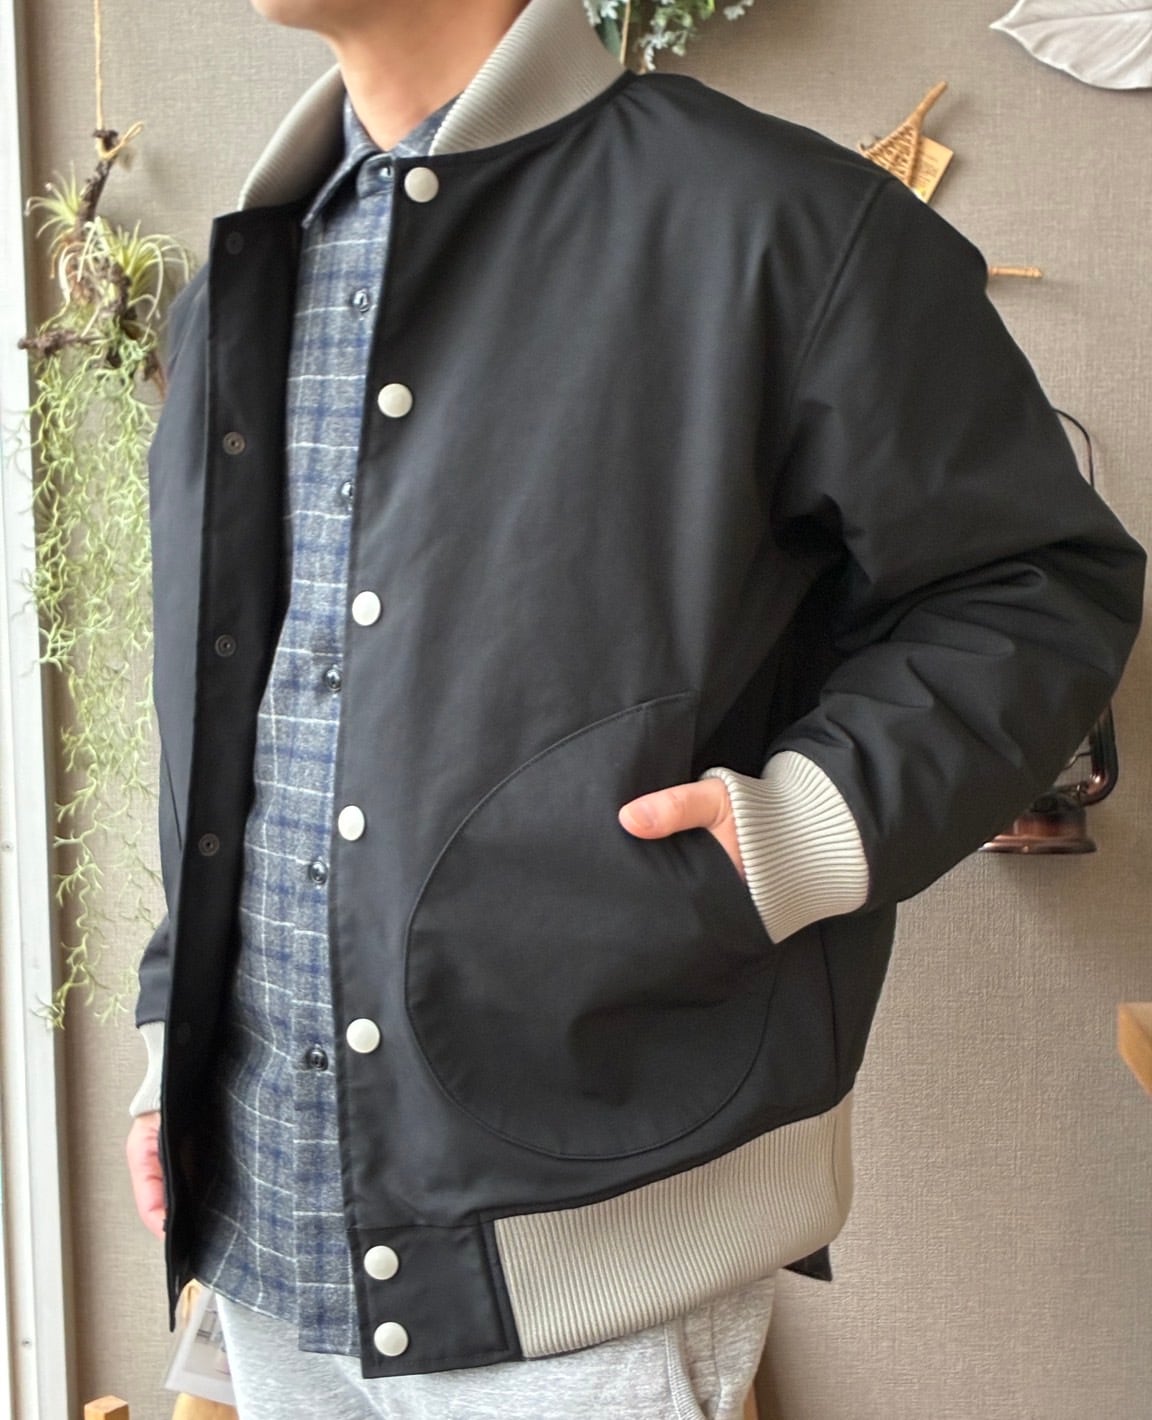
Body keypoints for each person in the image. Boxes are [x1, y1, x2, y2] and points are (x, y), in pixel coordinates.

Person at [124, 0, 1145, 1415]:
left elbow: (1035, 585)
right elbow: (249, 699)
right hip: (262, 1229)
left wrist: (799, 833)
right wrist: (172, 1038)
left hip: (588, 1263)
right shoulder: (246, 273)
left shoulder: (778, 225)